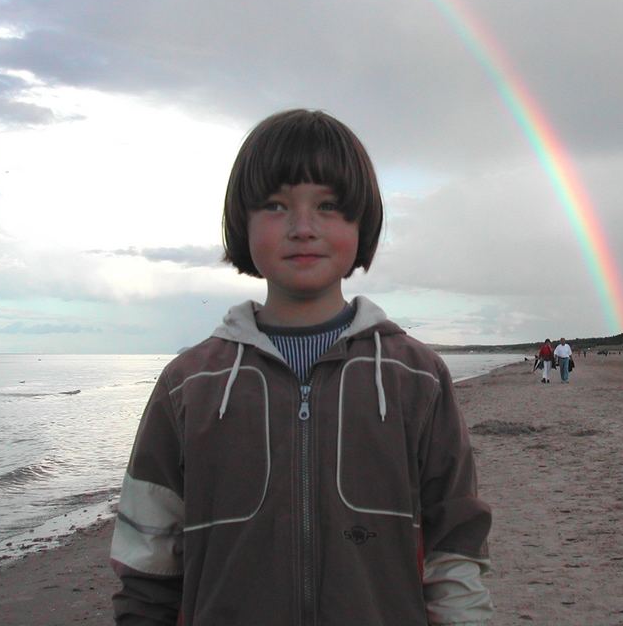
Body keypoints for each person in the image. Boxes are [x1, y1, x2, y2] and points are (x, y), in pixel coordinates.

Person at [110, 109, 494, 625]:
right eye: (275, 205)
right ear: (241, 224)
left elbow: (455, 547)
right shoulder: (190, 382)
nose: (303, 228)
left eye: (330, 206)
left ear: (363, 223)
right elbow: (147, 555)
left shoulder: (416, 375)